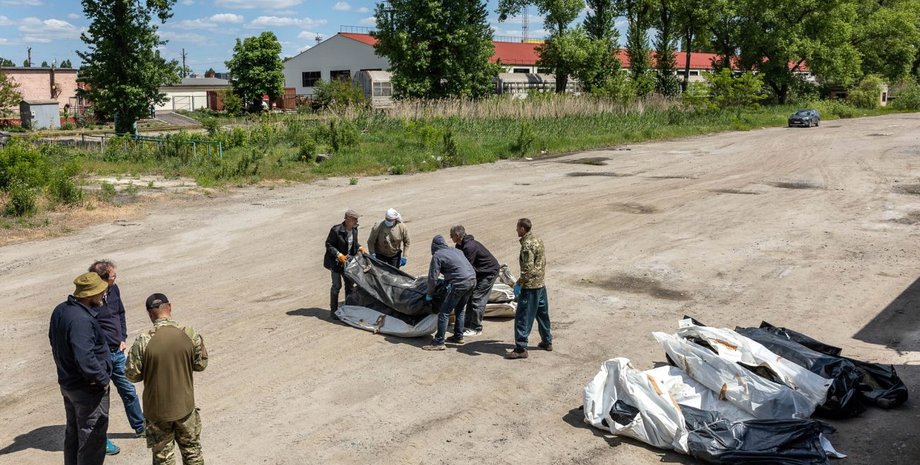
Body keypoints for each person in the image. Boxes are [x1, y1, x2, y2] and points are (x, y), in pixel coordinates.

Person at [126, 293, 208, 465]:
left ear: (149, 313)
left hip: (157, 411)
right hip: (185, 407)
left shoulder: (143, 340)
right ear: (169, 307)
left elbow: (132, 375)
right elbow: (200, 365)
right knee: (192, 452)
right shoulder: (189, 333)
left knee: (163, 458)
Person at [49, 272, 114, 464]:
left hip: (69, 384)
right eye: (100, 292)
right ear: (89, 295)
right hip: (87, 389)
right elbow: (85, 358)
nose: (103, 295)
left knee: (74, 433)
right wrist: (102, 380)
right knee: (92, 439)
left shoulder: (61, 310)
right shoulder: (81, 321)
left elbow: (54, 340)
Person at [89, 260, 145, 446]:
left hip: (118, 352)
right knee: (99, 400)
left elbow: (120, 313)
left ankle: (141, 427)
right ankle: (99, 440)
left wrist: (122, 336)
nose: (116, 278)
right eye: (113, 276)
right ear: (102, 279)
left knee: (129, 391)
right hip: (100, 358)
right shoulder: (88, 298)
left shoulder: (114, 289)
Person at [506, 218, 553, 360]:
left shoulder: (527, 244)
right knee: (542, 314)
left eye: (517, 228)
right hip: (540, 284)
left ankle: (521, 348)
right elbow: (542, 262)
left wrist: (519, 283)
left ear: (522, 229)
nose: (516, 230)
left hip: (530, 286)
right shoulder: (538, 240)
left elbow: (528, 268)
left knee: (523, 317)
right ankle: (547, 341)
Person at [423, 235, 477, 351]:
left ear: (434, 246)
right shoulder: (456, 250)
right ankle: (458, 336)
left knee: (444, 312)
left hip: (460, 283)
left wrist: (429, 294)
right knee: (460, 309)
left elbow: (433, 278)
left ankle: (439, 342)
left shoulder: (438, 255)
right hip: (472, 280)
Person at [449, 225, 500, 337]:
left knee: (477, 299)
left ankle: (476, 328)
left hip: (488, 273)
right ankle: (466, 325)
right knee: (470, 297)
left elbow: (466, 267)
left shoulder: (469, 247)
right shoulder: (459, 245)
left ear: (457, 235)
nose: (450, 238)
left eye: (451, 236)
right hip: (479, 273)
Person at [323, 209, 365, 320]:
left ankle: (348, 309)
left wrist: (359, 247)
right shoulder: (336, 230)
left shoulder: (355, 229)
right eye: (354, 219)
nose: (356, 221)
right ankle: (334, 311)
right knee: (336, 286)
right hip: (336, 263)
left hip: (348, 263)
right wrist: (338, 254)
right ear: (347, 219)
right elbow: (329, 245)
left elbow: (353, 244)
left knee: (350, 287)